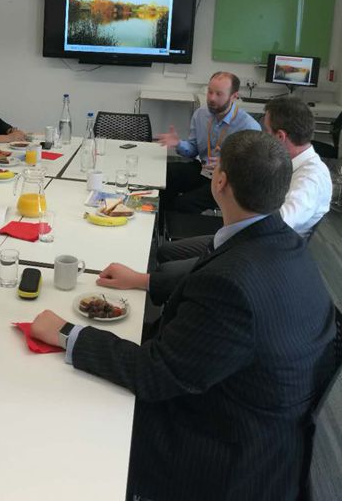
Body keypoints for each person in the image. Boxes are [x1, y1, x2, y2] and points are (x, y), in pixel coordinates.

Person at [31, 131, 335, 501]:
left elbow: (154, 374)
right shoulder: (286, 245)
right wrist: (144, 281)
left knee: (56, 410)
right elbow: (213, 281)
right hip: (269, 433)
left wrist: (67, 333)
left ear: (219, 181)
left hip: (221, 453)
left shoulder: (232, 287)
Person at [139, 95, 334, 305]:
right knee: (165, 251)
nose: (262, 136)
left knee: (167, 271)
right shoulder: (283, 162)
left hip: (258, 257)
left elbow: (277, 224)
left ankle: (179, 302)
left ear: (280, 136)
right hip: (240, 237)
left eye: (266, 132)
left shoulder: (310, 180)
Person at [156, 71, 261, 214]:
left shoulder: (249, 127)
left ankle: (179, 225)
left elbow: (252, 169)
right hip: (203, 170)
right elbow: (193, 150)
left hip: (227, 181)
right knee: (165, 175)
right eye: (210, 92)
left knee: (183, 203)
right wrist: (179, 143)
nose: (212, 98)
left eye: (219, 94)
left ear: (234, 96)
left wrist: (227, 165)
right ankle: (161, 222)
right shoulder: (201, 114)